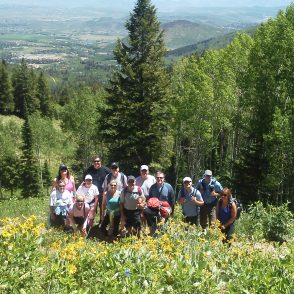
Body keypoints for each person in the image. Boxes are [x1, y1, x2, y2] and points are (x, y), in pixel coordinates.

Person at [145, 171, 175, 235]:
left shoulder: (169, 187)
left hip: (165, 210)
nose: (159, 179)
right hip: (155, 210)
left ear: (164, 178)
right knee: (154, 227)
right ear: (155, 178)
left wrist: (171, 213)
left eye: (161, 177)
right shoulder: (152, 187)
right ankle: (153, 236)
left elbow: (172, 201)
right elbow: (150, 199)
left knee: (164, 228)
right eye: (158, 177)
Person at [83, 156, 110, 222]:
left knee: (102, 207)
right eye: (95, 161)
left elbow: (111, 180)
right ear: (93, 162)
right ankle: (89, 221)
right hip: (91, 192)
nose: (96, 162)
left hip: (102, 192)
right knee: (91, 207)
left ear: (100, 162)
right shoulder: (88, 170)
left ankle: (101, 221)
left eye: (98, 161)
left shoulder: (106, 170)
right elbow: (84, 180)